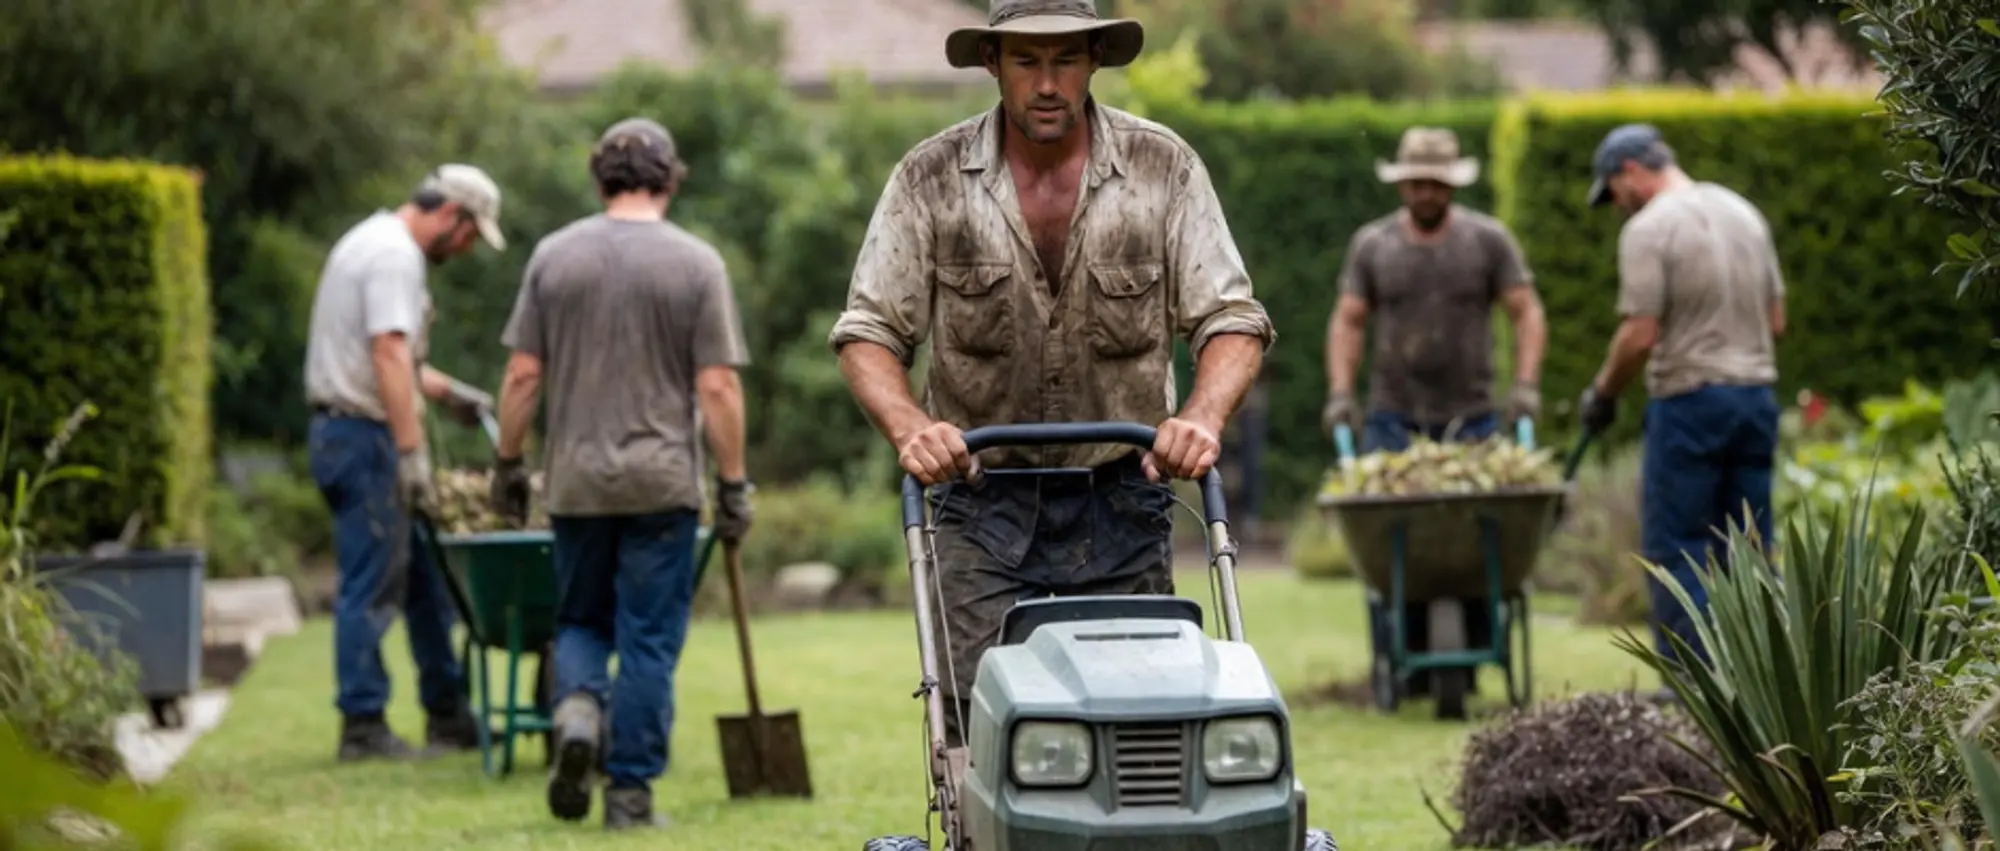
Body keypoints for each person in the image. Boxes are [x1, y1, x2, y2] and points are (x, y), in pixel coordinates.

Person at [827, 0, 1274, 770]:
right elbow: (868, 330)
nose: (1045, 83)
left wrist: (1199, 416)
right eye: (1026, 61)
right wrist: (912, 429)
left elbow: (1232, 316)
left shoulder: (1162, 168)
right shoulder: (931, 179)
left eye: (1064, 59)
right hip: (982, 506)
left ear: (1095, 61)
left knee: (1143, 728)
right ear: (992, 65)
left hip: (1125, 496)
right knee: (988, 739)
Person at [490, 117, 754, 831]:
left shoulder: (553, 256)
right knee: (646, 640)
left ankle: (577, 708)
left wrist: (508, 464)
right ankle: (630, 796)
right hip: (662, 486)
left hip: (574, 482)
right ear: (670, 178)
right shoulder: (697, 264)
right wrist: (733, 482)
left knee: (579, 619)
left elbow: (521, 375)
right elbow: (720, 388)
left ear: (599, 177)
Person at [1321, 126, 1547, 702]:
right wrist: (1341, 394)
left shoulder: (1486, 242)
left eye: (1436, 183)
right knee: (1386, 550)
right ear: (1403, 184)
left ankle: (1470, 656)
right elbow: (1349, 320)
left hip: (1470, 415)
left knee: (1475, 544)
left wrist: (1525, 386)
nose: (1425, 192)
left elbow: (1526, 312)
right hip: (1393, 415)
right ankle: (1395, 667)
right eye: (1416, 182)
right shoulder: (1374, 246)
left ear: (1451, 185)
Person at [301, 164, 507, 762]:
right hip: (364, 439)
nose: (467, 249)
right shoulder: (395, 256)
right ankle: (362, 728)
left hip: (356, 431)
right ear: (451, 215)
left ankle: (448, 713)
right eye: (471, 235)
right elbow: (388, 353)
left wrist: (448, 394)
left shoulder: (371, 240)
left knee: (425, 580)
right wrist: (412, 450)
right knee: (373, 582)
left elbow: (391, 358)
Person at [1576, 123, 1783, 670]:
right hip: (1756, 399)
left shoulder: (1649, 229)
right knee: (1751, 546)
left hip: (1690, 402)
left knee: (1681, 547)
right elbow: (1776, 319)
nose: (1617, 205)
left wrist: (1602, 392)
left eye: (1613, 193)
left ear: (1630, 172)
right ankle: (1763, 678)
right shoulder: (1743, 213)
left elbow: (1639, 334)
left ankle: (1692, 686)